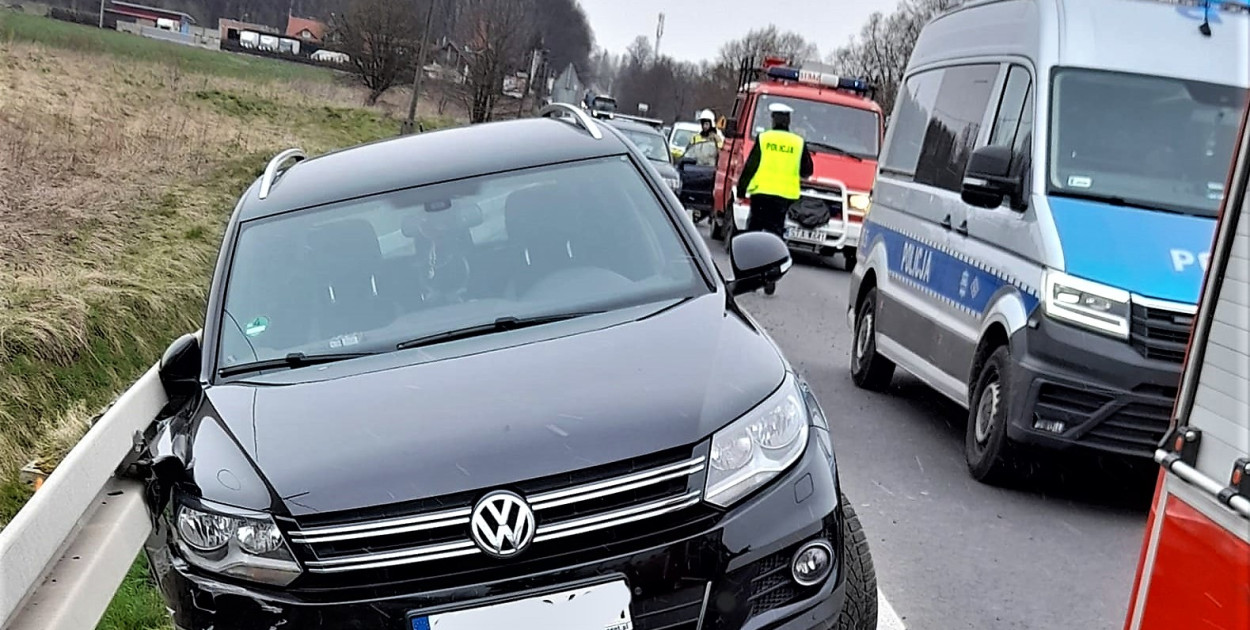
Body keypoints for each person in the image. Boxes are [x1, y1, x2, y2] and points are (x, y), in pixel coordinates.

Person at [736, 101, 814, 295]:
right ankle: (771, 275)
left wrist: (741, 189)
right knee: (774, 236)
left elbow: (750, 166)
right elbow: (807, 171)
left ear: (773, 119)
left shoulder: (764, 138)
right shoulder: (797, 142)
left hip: (761, 195)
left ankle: (749, 275)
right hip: (783, 198)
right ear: (788, 121)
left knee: (753, 233)